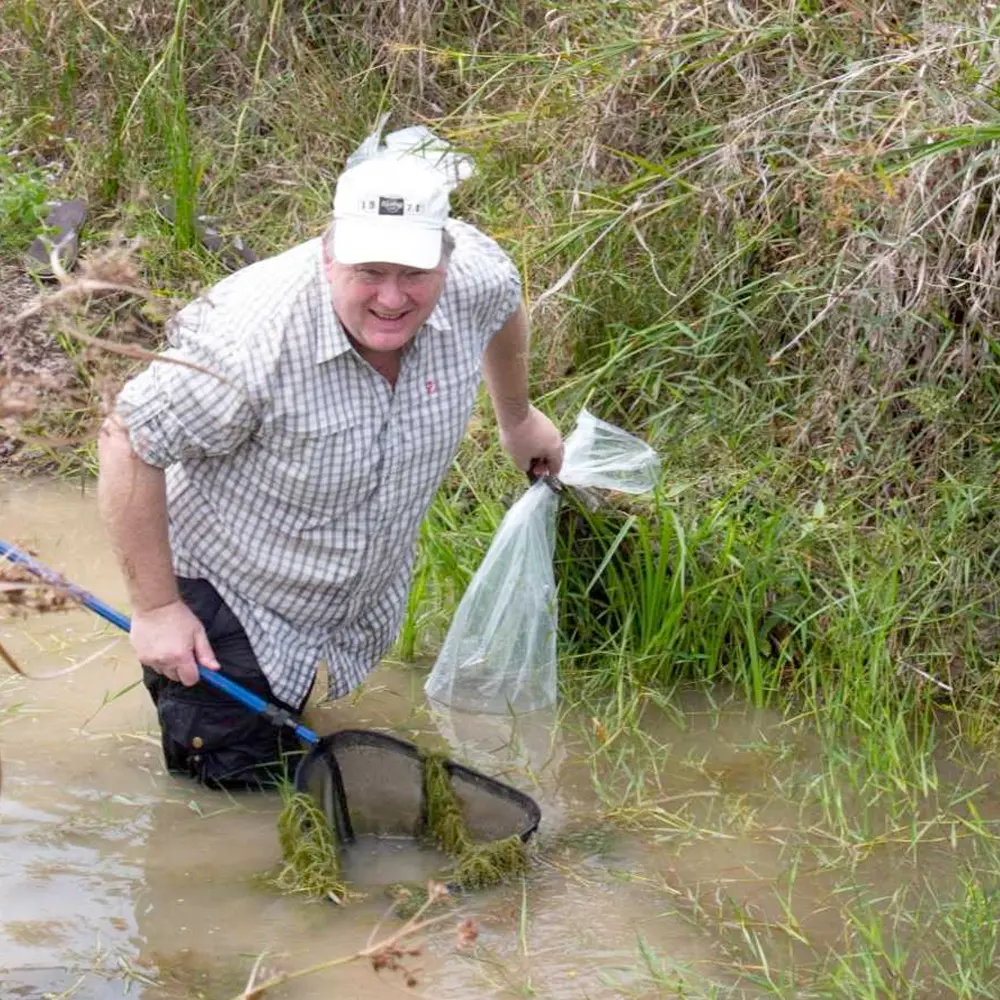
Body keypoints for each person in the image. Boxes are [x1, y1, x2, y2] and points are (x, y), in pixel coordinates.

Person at [97, 146, 563, 788]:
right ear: (328, 254)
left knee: (296, 757)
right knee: (231, 806)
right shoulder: (248, 342)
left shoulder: (474, 275)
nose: (392, 298)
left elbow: (504, 301)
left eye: (414, 274)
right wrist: (154, 610)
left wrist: (516, 416)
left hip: (341, 594)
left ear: (445, 261)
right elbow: (127, 439)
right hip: (227, 595)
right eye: (369, 271)